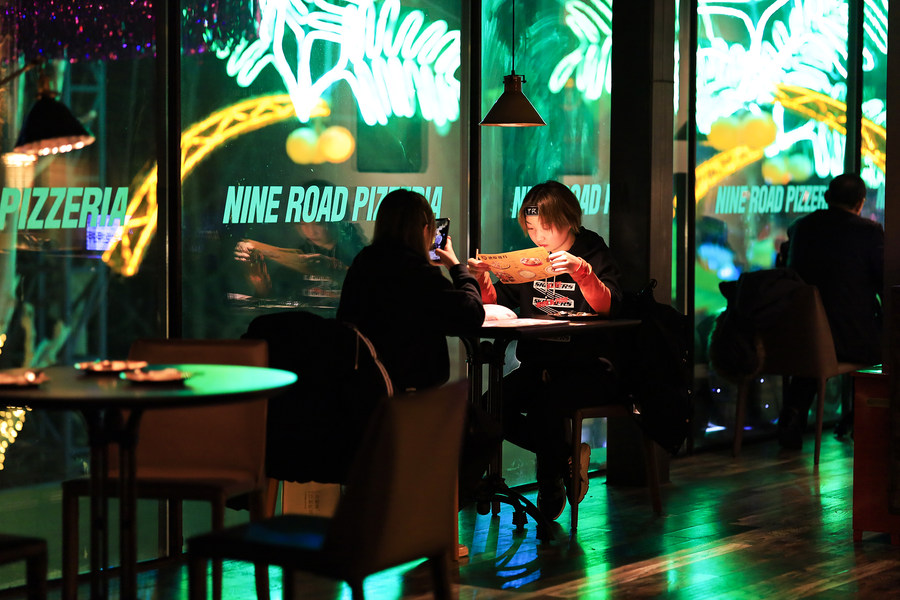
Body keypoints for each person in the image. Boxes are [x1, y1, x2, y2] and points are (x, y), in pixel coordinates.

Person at [467, 180, 624, 521]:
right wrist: (482, 280)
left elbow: (609, 305)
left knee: (546, 405)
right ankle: (566, 455)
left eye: (546, 227)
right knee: (489, 408)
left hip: (588, 367)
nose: (538, 236)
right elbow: (500, 303)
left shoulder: (592, 250)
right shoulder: (532, 259)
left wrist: (582, 273)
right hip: (538, 365)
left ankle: (550, 481)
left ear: (568, 220)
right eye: (531, 228)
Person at [337, 188, 484, 392]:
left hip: (363, 386)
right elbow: (472, 314)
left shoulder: (363, 262)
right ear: (425, 230)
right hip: (410, 394)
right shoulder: (418, 273)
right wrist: (457, 267)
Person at [777, 173, 884, 448]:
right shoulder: (870, 232)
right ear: (860, 203)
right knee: (889, 349)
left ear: (826, 198)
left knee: (816, 348)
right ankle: (860, 418)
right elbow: (884, 283)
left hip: (804, 336)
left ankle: (793, 415)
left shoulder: (800, 229)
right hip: (851, 340)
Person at [234, 220, 367, 307]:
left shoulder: (357, 253)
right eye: (303, 223)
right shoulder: (292, 259)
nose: (311, 231)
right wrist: (261, 285)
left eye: (318, 223)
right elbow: (271, 299)